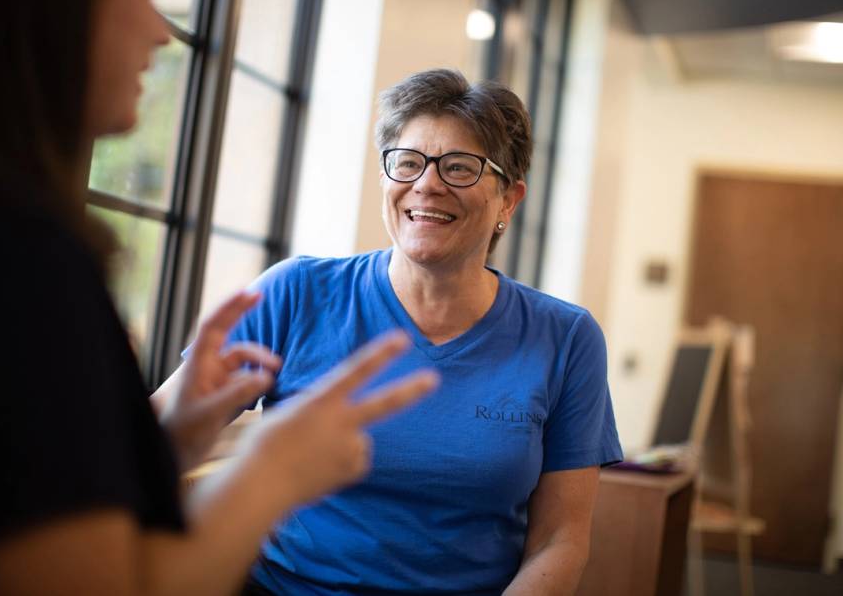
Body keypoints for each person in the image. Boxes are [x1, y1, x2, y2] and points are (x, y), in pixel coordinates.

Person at [0, 0, 437, 595]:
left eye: (458, 167)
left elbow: (25, 486)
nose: (161, 32)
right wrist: (275, 468)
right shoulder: (7, 247)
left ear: (510, 198)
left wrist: (168, 443)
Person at [159, 68, 623, 595]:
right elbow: (155, 437)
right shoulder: (296, 293)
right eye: (407, 162)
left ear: (509, 200)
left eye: (459, 167)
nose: (427, 183)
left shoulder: (566, 338)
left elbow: (559, 540)